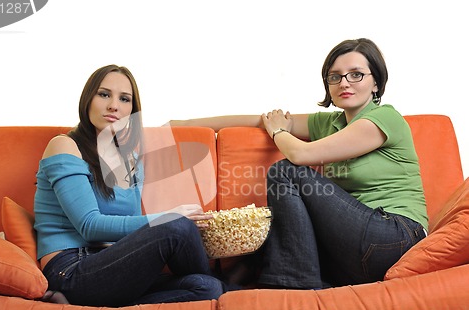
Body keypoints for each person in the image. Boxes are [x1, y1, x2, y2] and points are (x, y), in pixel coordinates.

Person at [170, 38, 428, 289]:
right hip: (354, 249)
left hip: (394, 236)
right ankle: (219, 289)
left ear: (376, 82)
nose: (344, 83)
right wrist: (179, 126)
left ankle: (295, 286)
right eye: (335, 76)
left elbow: (300, 155)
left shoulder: (384, 118)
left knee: (285, 171)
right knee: (278, 231)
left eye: (356, 75)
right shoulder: (330, 124)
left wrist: (279, 133)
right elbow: (262, 120)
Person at [34, 64, 224, 307]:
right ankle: (77, 298)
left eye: (124, 99)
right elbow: (90, 226)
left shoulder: (130, 160)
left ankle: (102, 307)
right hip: (71, 269)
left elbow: (130, 232)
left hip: (115, 266)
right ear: (87, 99)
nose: (114, 105)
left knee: (207, 287)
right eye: (104, 94)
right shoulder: (65, 146)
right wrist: (169, 217)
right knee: (177, 226)